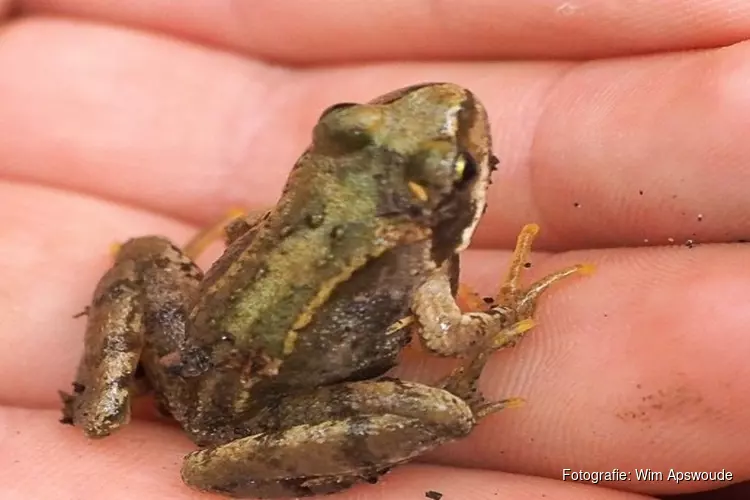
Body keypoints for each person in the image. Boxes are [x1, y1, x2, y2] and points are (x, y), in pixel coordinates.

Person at [1, 2, 747, 499]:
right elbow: (452, 336)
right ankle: (197, 447)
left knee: (147, 251)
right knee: (447, 411)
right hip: (265, 404)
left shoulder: (321, 211)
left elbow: (239, 236)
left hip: (196, 353)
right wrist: (499, 319)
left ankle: (106, 403)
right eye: (349, 127)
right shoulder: (420, 256)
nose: (438, 106)